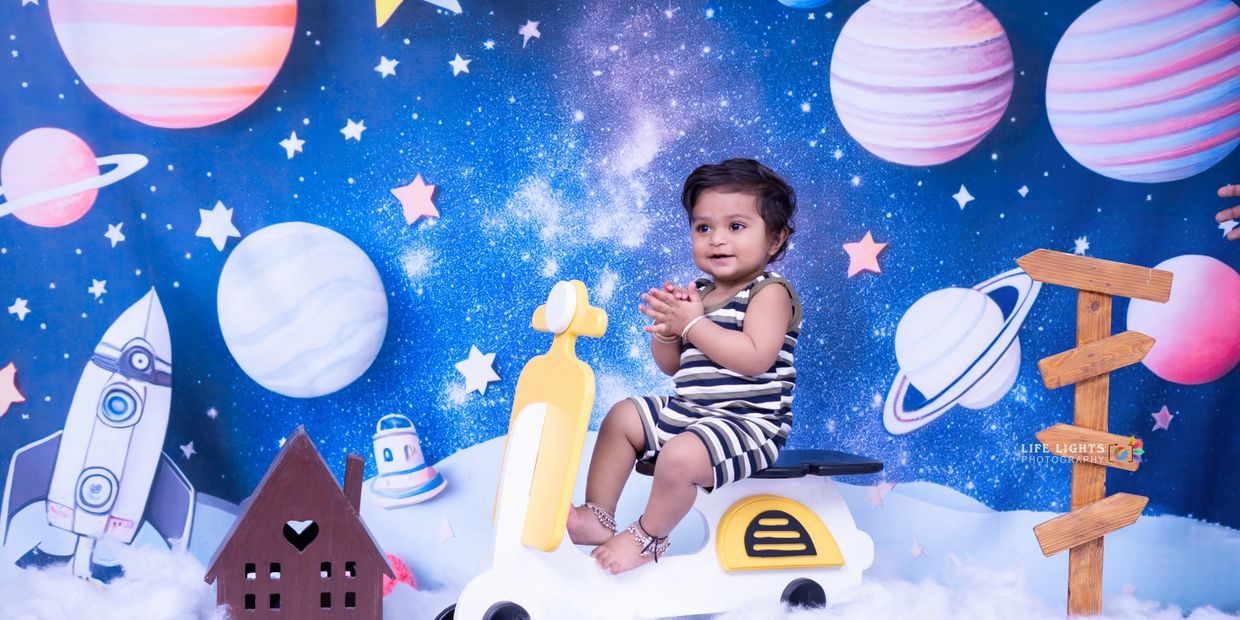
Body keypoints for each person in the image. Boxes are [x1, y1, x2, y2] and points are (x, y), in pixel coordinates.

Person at [565, 158, 803, 574]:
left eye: (736, 226)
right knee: (623, 416)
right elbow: (674, 368)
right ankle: (597, 516)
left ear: (775, 239)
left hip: (749, 424)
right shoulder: (700, 294)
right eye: (703, 227)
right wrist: (668, 332)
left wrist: (692, 323)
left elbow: (754, 358)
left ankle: (647, 538)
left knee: (678, 457)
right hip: (691, 412)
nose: (717, 239)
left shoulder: (770, 294)